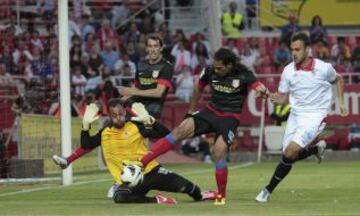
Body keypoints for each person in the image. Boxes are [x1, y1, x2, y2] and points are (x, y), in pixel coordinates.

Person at [135, 48, 270, 205]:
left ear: (230, 66)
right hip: (210, 111)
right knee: (180, 129)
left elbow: (258, 86)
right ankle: (142, 161)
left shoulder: (244, 74)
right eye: (215, 66)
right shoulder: (209, 71)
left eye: (220, 68)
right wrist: (191, 111)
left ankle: (221, 194)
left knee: (219, 151)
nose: (216, 69)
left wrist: (263, 91)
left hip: (230, 117)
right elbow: (198, 89)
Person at [53, 34, 173, 195]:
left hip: (149, 113)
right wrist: (119, 101)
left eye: (155, 46)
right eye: (149, 46)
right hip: (133, 107)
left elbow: (158, 93)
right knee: (106, 133)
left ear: (161, 48)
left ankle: (121, 181)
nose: (152, 49)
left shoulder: (166, 66)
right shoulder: (142, 64)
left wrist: (132, 91)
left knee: (124, 143)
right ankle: (69, 161)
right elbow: (135, 88)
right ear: (146, 47)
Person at [255, 32, 348, 203]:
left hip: (315, 117)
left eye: (298, 49)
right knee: (288, 155)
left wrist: (341, 102)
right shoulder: (288, 71)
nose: (294, 53)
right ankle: (316, 149)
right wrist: (269, 96)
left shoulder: (323, 68)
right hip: (296, 116)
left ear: (307, 50)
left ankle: (267, 191)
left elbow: (339, 79)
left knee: (290, 152)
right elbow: (282, 98)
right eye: (292, 50)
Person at [72, 99, 216, 204]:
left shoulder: (135, 125)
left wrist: (150, 121)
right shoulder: (104, 133)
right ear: (109, 116)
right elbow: (86, 144)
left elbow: (165, 134)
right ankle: (158, 200)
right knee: (119, 197)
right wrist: (85, 126)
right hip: (130, 181)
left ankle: (200, 195)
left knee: (190, 188)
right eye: (114, 115)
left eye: (121, 114)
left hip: (151, 171)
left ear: (125, 113)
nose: (118, 118)